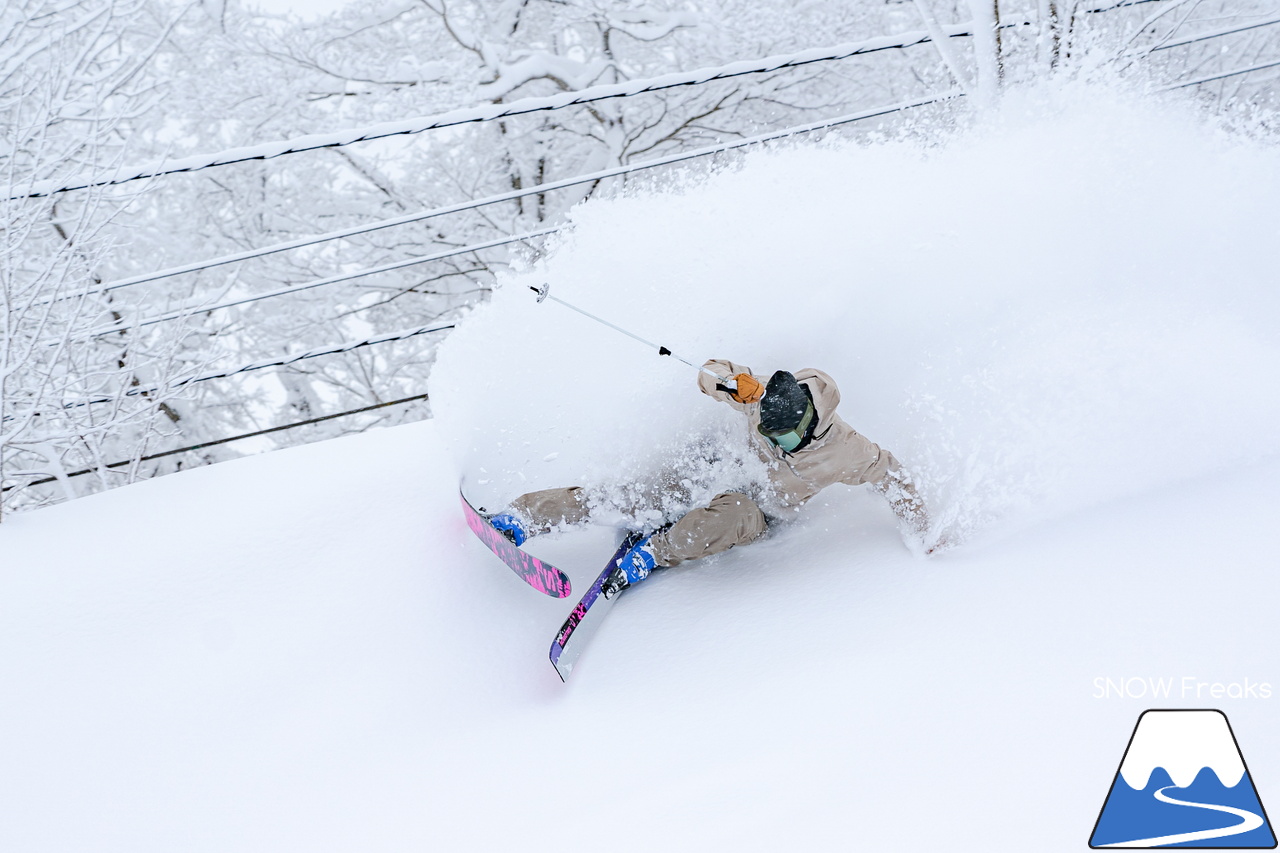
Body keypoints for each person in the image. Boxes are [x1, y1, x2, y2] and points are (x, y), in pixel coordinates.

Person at [488, 358, 928, 590]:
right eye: (770, 434)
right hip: (717, 469)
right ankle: (526, 517)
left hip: (760, 509)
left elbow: (893, 475)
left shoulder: (847, 450)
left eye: (786, 439)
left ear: (810, 422)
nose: (778, 444)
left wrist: (922, 529)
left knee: (721, 520)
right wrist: (728, 380)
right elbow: (707, 371)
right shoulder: (764, 397)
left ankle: (654, 553)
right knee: (631, 495)